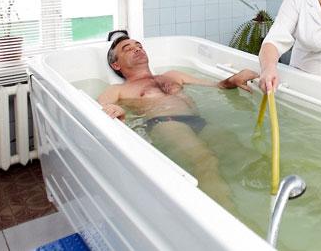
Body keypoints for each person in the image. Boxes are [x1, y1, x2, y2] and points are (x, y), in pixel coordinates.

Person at [97, 31, 258, 211]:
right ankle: (224, 213)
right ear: (116, 64)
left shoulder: (173, 75)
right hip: (165, 123)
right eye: (127, 49)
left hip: (197, 121)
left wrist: (234, 79)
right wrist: (115, 109)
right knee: (204, 158)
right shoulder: (118, 89)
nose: (137, 49)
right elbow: (100, 107)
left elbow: (217, 86)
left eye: (139, 46)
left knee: (236, 148)